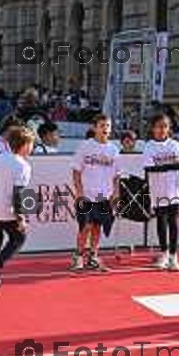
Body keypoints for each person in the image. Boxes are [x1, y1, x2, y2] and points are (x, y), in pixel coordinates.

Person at [0, 126, 35, 289]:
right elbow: (19, 194)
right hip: (6, 210)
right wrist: (21, 218)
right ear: (24, 145)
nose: (32, 147)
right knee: (19, 238)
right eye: (31, 144)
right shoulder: (23, 166)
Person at [70, 114, 121, 272]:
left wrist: (116, 193)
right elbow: (76, 171)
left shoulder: (113, 149)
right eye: (102, 125)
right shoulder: (86, 146)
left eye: (107, 126)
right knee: (85, 226)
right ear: (94, 128)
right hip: (86, 195)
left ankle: (93, 256)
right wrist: (79, 192)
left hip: (104, 196)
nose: (105, 129)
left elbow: (117, 174)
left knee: (98, 227)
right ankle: (78, 256)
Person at [142, 114, 179, 271]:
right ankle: (163, 253)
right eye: (159, 126)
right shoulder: (149, 146)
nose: (162, 130)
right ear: (153, 128)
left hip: (174, 188)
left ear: (169, 129)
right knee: (161, 222)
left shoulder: (174, 145)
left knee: (173, 222)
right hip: (157, 189)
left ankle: (173, 257)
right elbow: (149, 168)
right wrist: (170, 166)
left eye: (165, 126)